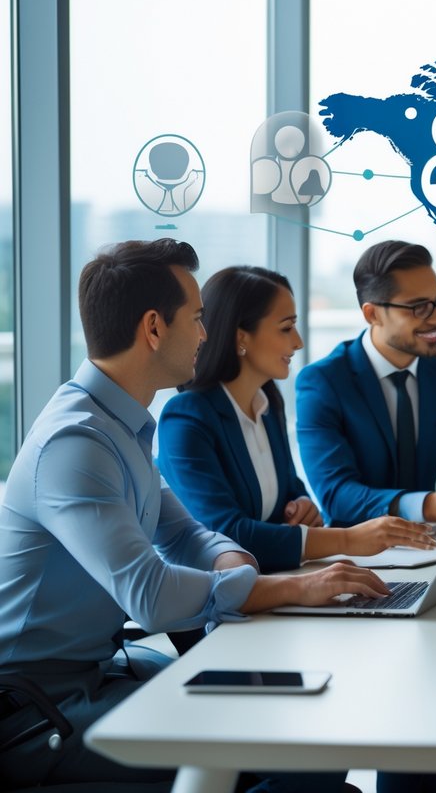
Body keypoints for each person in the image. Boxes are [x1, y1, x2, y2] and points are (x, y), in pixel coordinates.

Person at [0, 239, 391, 791]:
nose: (206, 334)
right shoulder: (75, 443)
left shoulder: (123, 426)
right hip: (33, 712)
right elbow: (151, 596)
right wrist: (286, 589)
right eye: (198, 318)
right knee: (302, 766)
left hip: (100, 674)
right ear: (154, 328)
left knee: (313, 749)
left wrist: (234, 567)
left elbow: (185, 532)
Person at [158, 266, 436, 574]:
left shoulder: (268, 405)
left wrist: (302, 505)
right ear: (241, 336)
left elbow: (290, 489)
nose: (298, 343)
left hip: (280, 584)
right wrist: (346, 539)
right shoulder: (186, 419)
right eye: (285, 328)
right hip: (218, 610)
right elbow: (226, 534)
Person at [296, 240, 436, 536]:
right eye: (419, 308)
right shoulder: (324, 381)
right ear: (372, 314)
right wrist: (430, 505)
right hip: (359, 556)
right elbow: (336, 496)